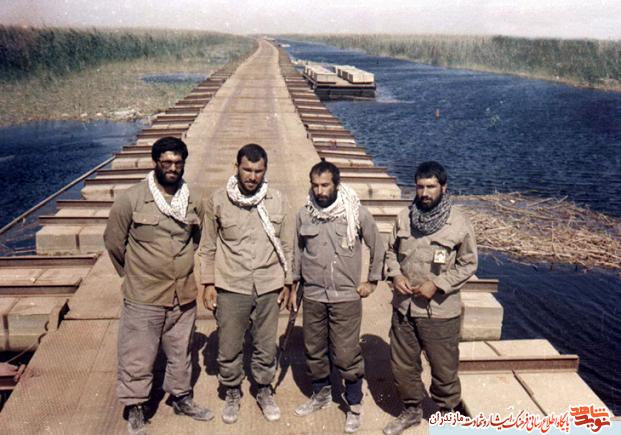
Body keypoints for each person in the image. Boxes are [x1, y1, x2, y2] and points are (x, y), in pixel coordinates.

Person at [104, 137, 212, 435]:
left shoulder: (194, 199)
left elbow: (197, 239)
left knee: (181, 350)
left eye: (178, 163)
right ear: (156, 163)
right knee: (137, 353)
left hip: (183, 293)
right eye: (166, 162)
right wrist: (135, 274)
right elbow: (114, 242)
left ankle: (181, 397)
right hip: (144, 294)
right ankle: (136, 406)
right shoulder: (131, 199)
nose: (172, 168)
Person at [197, 143, 292, 424]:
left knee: (266, 344)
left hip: (268, 284)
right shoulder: (218, 200)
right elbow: (207, 246)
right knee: (229, 345)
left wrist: (289, 282)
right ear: (236, 167)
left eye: (258, 171)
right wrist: (208, 282)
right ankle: (232, 391)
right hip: (231, 284)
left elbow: (288, 246)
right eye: (247, 170)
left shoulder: (278, 201)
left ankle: (263, 388)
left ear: (265, 170)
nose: (252, 176)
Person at [289, 160, 384, 433]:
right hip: (313, 294)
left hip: (345, 297)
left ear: (336, 184)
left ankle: (353, 404)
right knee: (314, 349)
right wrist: (293, 286)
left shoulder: (355, 213)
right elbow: (297, 252)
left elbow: (378, 246)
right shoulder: (304, 214)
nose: (320, 191)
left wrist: (372, 281)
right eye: (315, 185)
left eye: (325, 185)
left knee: (346, 353)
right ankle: (321, 393)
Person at [383, 161, 478, 435]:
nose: (424, 193)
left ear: (443, 188)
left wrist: (437, 284)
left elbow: (469, 264)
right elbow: (391, 252)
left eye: (431, 187)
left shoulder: (458, 222)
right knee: (403, 365)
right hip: (404, 309)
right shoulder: (405, 218)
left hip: (440, 312)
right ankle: (411, 410)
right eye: (420, 187)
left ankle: (448, 416)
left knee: (444, 370)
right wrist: (395, 275)